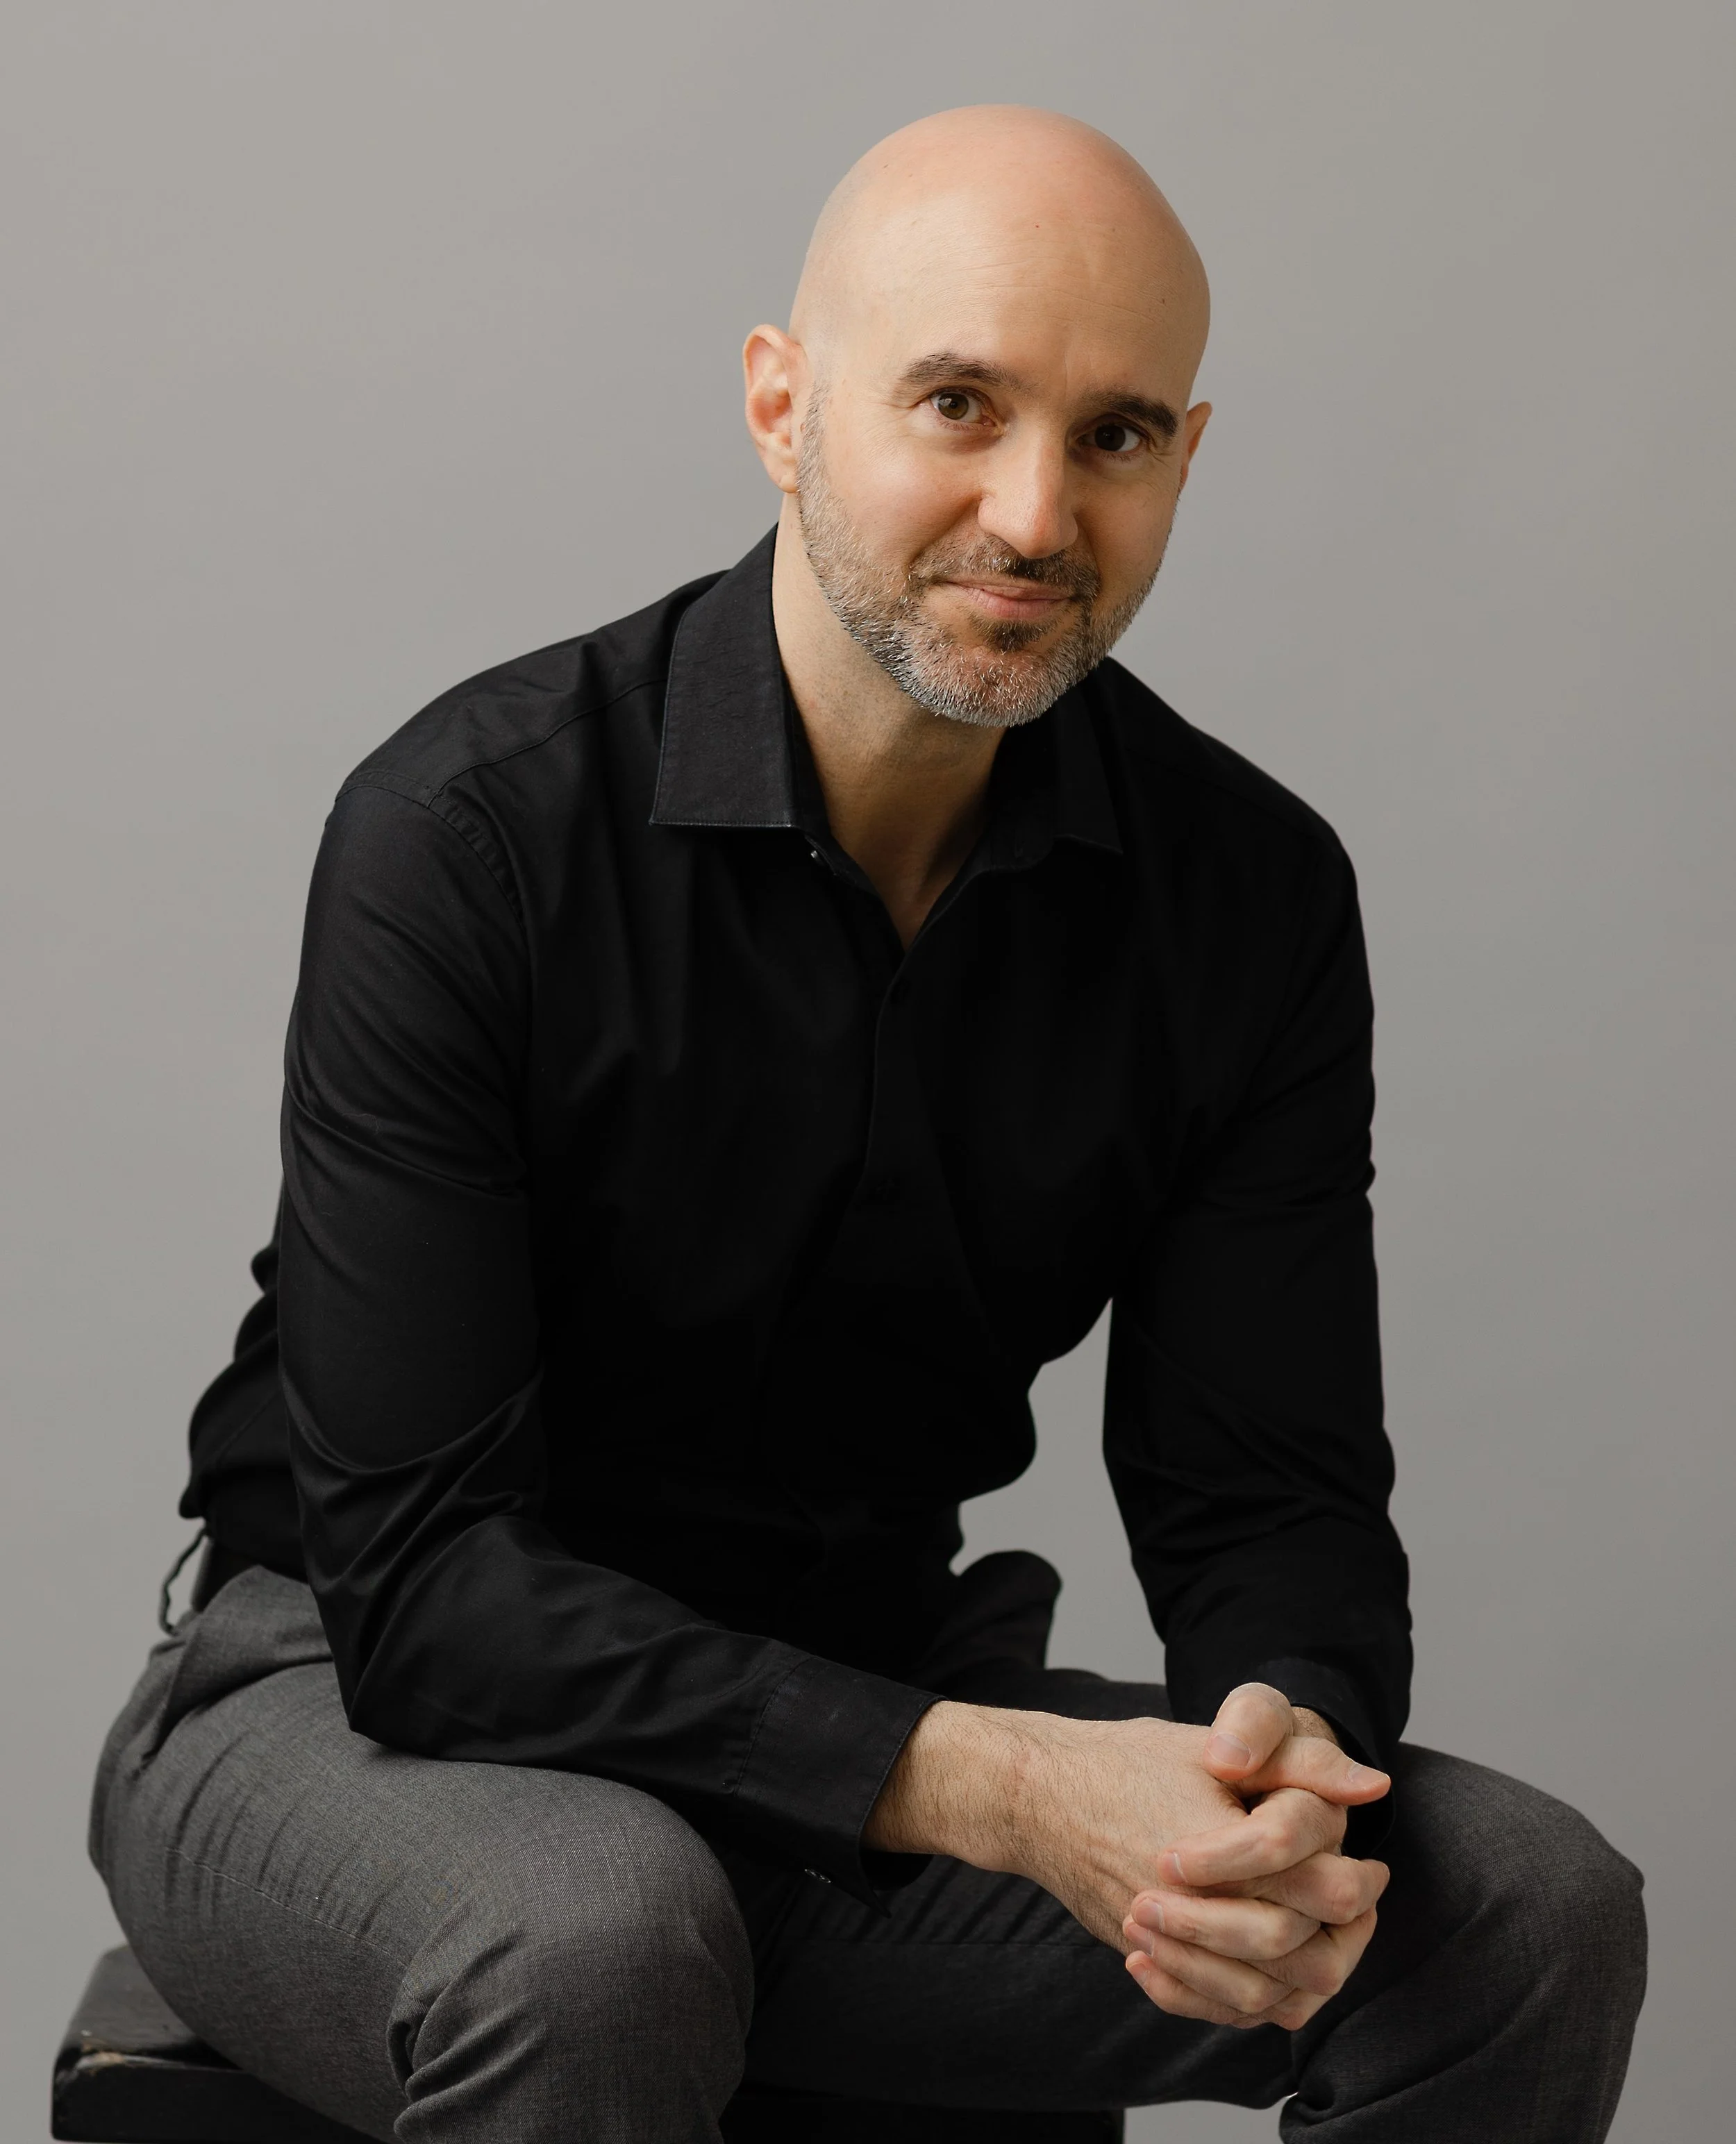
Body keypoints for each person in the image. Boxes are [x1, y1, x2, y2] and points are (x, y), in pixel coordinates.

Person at [90, 105, 1645, 2141]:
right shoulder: (466, 835)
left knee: (1519, 1912)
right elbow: (433, 1591)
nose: (1030, 511)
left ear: (1183, 457)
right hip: (344, 1712)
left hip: (856, 1728)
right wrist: (1001, 1785)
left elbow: (1266, 1500)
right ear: (778, 403)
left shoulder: (1248, 895)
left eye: (1111, 435)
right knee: (603, 1937)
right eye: (955, 402)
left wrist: (1283, 1766)